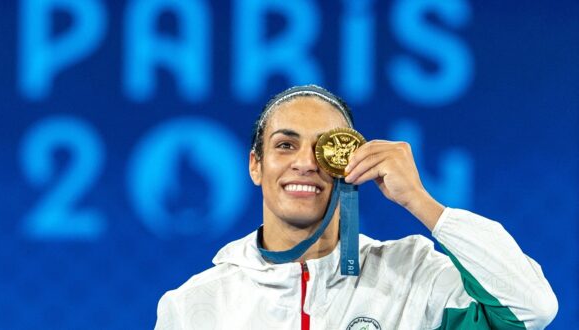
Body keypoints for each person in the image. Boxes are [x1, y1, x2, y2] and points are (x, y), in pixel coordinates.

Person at [154, 85, 557, 329]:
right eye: (285, 145)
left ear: (346, 163)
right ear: (256, 165)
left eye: (323, 148)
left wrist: (421, 201)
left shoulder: (412, 276)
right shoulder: (194, 306)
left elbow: (531, 308)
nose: (306, 163)